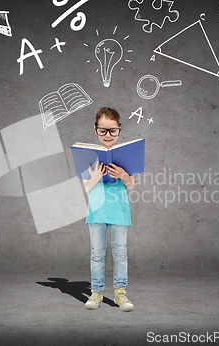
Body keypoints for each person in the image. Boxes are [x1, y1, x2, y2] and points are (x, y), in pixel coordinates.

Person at [82, 107, 135, 312]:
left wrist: (122, 174)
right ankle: (96, 293)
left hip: (119, 211)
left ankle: (120, 294)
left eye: (112, 131)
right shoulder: (88, 157)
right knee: (97, 253)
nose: (108, 135)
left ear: (119, 130)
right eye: (103, 130)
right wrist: (95, 177)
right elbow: (85, 188)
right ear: (96, 131)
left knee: (120, 253)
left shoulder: (127, 156)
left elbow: (130, 185)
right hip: (96, 212)